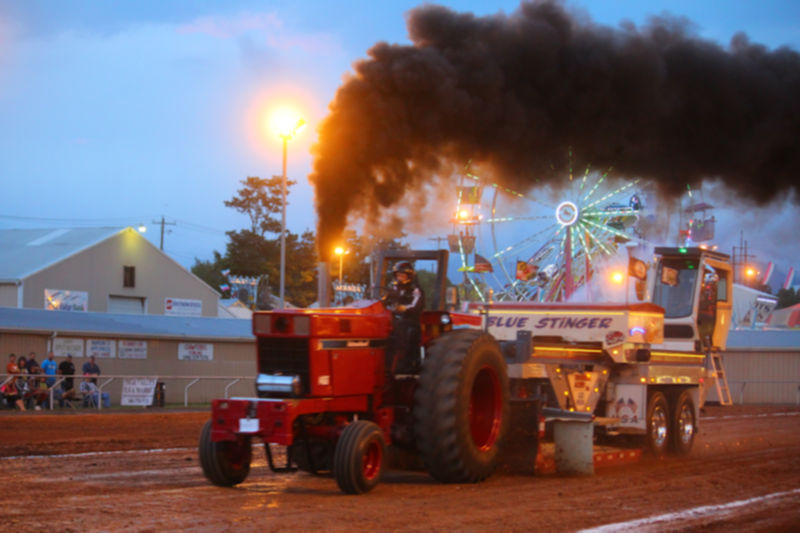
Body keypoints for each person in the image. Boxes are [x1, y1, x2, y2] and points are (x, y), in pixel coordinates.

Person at [381, 261, 425, 375]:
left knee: (400, 327)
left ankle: (402, 361)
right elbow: (384, 301)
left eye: (402, 275)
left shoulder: (415, 290)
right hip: (395, 318)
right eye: (397, 275)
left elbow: (416, 306)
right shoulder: (394, 288)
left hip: (410, 320)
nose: (399, 277)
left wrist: (403, 308)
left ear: (409, 276)